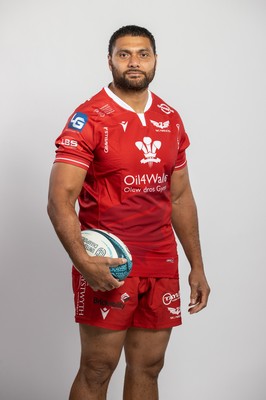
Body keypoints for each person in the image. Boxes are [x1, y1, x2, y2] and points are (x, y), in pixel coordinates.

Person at [47, 25, 210, 400]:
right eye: (124, 54)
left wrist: (196, 265)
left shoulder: (170, 118)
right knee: (98, 367)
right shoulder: (89, 117)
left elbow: (181, 197)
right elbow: (59, 199)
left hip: (160, 263)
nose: (134, 62)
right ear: (110, 61)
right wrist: (83, 261)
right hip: (109, 263)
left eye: (143, 54)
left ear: (154, 61)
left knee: (149, 367)